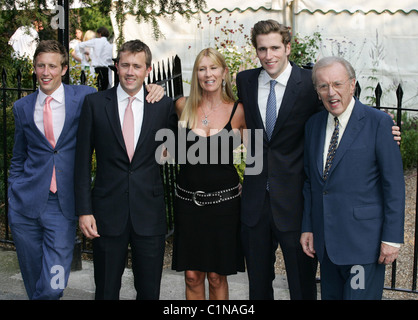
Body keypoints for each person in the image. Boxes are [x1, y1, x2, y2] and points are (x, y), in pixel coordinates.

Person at [236, 19, 401, 300]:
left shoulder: (308, 83)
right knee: (257, 287)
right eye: (262, 49)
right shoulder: (245, 80)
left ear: (288, 47)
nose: (269, 55)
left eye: (275, 47)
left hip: (295, 205)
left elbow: (339, 101)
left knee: (302, 288)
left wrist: (382, 123)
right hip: (255, 203)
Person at [74, 39, 174, 300]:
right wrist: (84, 211)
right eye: (125, 65)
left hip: (149, 215)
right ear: (116, 66)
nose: (131, 72)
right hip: (106, 215)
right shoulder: (95, 104)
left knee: (150, 291)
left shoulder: (162, 106)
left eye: (137, 66)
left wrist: (161, 91)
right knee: (106, 290)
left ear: (147, 71)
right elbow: (81, 162)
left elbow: (177, 150)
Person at [300, 56, 405, 300]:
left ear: (352, 84)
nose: (331, 92)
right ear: (317, 91)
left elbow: (394, 186)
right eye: (323, 86)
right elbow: (310, 182)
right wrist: (308, 227)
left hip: (362, 246)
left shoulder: (379, 123)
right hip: (326, 247)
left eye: (337, 83)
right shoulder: (313, 125)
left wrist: (392, 238)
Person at [7, 39, 97, 300]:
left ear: (64, 69)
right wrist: (13, 196)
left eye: (52, 66)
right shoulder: (22, 108)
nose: (46, 72)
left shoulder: (84, 97)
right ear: (34, 68)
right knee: (34, 279)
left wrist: (154, 90)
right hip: (26, 205)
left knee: (53, 284)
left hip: (62, 205)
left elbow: (119, 99)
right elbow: (18, 156)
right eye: (40, 66)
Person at [172, 48, 246, 300]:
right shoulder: (182, 106)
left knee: (216, 276)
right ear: (196, 75)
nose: (208, 74)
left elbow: (258, 158)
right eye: (202, 69)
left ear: (224, 72)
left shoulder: (238, 111)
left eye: (213, 68)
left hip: (224, 207)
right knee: (192, 275)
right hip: (188, 204)